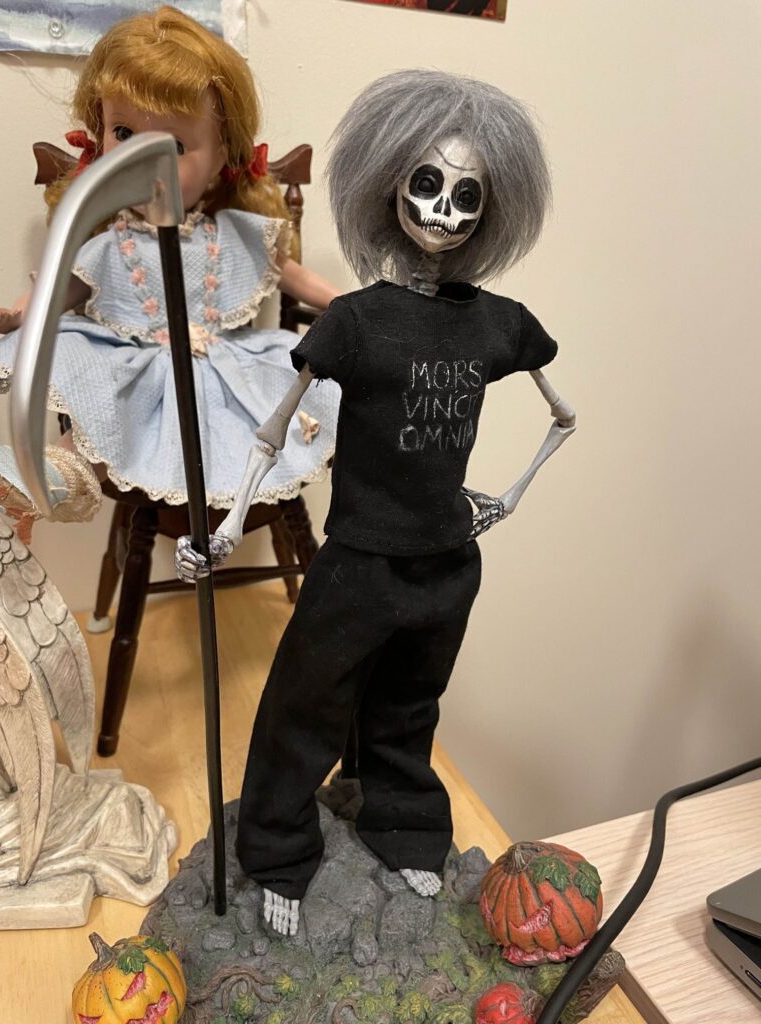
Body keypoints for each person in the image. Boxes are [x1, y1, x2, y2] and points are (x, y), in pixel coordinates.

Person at [177, 70, 576, 937]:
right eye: (427, 183)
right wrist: (230, 525)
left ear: (492, 208)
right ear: (389, 183)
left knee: (409, 705)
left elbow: (563, 415)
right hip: (358, 559)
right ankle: (277, 852)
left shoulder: (497, 322)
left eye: (467, 195)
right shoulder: (356, 321)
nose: (442, 210)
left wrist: (504, 497)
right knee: (305, 706)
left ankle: (405, 829)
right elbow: (273, 430)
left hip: (448, 561)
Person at [0, 5, 339, 542]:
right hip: (137, 365)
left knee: (289, 403)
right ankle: (47, 481)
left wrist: (355, 308)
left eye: (174, 147)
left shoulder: (233, 233)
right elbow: (58, 290)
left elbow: (295, 278)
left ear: (222, 154)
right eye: (123, 132)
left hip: (225, 368)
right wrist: (18, 315)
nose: (142, 160)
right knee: (103, 397)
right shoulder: (114, 242)